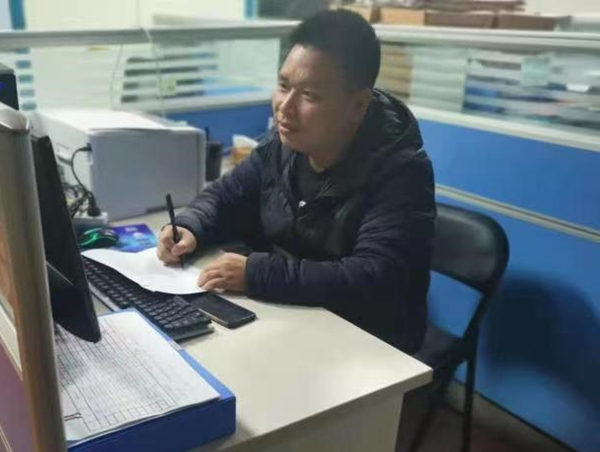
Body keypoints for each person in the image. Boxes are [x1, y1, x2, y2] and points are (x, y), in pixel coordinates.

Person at [157, 10, 435, 354]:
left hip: (367, 340)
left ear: (358, 105)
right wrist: (190, 225)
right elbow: (225, 196)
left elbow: (373, 275)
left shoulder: (401, 171)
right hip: (294, 314)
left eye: (310, 96)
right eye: (283, 86)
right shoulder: (282, 146)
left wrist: (259, 274)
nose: (284, 108)